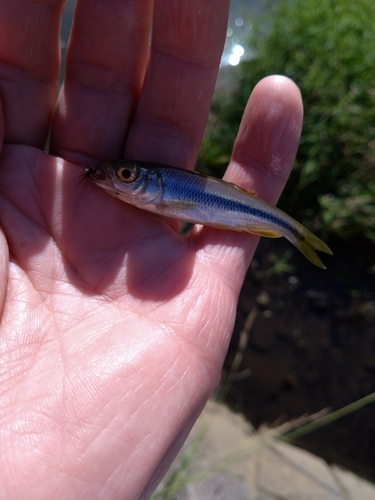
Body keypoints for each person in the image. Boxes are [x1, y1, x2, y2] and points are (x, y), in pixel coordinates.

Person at [0, 1, 303, 498]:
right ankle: (291, 229)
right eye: (121, 175)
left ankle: (291, 229)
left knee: (277, 221)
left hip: (244, 212)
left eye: (125, 177)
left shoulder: (166, 191)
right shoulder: (145, 192)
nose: (116, 181)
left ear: (150, 183)